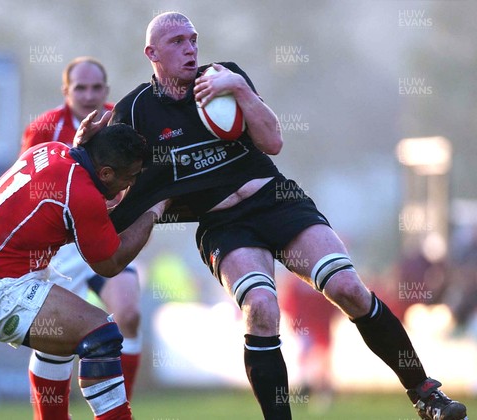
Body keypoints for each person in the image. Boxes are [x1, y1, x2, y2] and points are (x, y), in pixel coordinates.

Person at [96, 12, 468, 420]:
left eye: (193, 39)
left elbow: (272, 140)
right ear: (152, 53)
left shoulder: (223, 78)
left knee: (348, 288)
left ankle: (426, 394)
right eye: (177, 42)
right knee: (261, 309)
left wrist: (239, 88)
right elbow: (120, 189)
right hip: (224, 226)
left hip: (277, 201)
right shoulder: (134, 112)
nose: (190, 48)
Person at [0, 121, 170, 420]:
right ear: (105, 173)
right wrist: (155, 211)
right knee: (101, 335)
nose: (129, 185)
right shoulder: (79, 191)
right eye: (129, 178)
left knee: (60, 341)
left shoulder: (52, 150)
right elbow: (111, 264)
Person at [21, 56, 144, 405]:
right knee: (53, 341)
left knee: (129, 313)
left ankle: (122, 404)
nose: (89, 95)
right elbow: (27, 186)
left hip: (102, 235)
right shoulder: (43, 129)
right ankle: (51, 413)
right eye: (80, 87)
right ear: (66, 91)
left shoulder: (121, 122)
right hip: (60, 248)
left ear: (106, 90)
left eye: (96, 87)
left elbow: (138, 174)